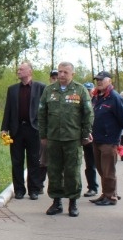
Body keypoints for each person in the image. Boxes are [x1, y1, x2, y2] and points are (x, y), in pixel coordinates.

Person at [37, 62, 92, 218]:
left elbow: (88, 114)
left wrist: (85, 134)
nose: (61, 75)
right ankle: (56, 202)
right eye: (60, 72)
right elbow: (42, 114)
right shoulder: (49, 90)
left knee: (72, 171)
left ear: (72, 74)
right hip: (53, 138)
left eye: (65, 72)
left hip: (73, 139)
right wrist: (43, 135)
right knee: (54, 170)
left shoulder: (80, 90)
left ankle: (73, 203)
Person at [1, 61, 47, 200]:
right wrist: (4, 128)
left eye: (21, 69)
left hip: (34, 129)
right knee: (17, 161)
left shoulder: (41, 88)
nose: (18, 71)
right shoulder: (12, 89)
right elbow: (8, 110)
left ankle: (34, 190)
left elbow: (45, 110)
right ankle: (19, 190)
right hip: (17, 129)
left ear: (30, 71)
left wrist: (44, 129)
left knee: (34, 160)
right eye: (18, 69)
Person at [89, 71, 123, 206]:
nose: (99, 82)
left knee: (108, 171)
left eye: (102, 79)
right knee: (101, 169)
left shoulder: (115, 98)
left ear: (109, 81)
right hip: (97, 139)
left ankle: (111, 197)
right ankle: (106, 193)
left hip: (110, 140)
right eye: (97, 80)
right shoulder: (97, 97)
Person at [81, 82, 100, 197]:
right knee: (90, 164)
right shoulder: (82, 102)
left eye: (90, 90)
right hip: (86, 137)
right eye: (86, 90)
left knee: (104, 166)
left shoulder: (99, 101)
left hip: (99, 136)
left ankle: (110, 190)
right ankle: (92, 187)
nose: (89, 92)